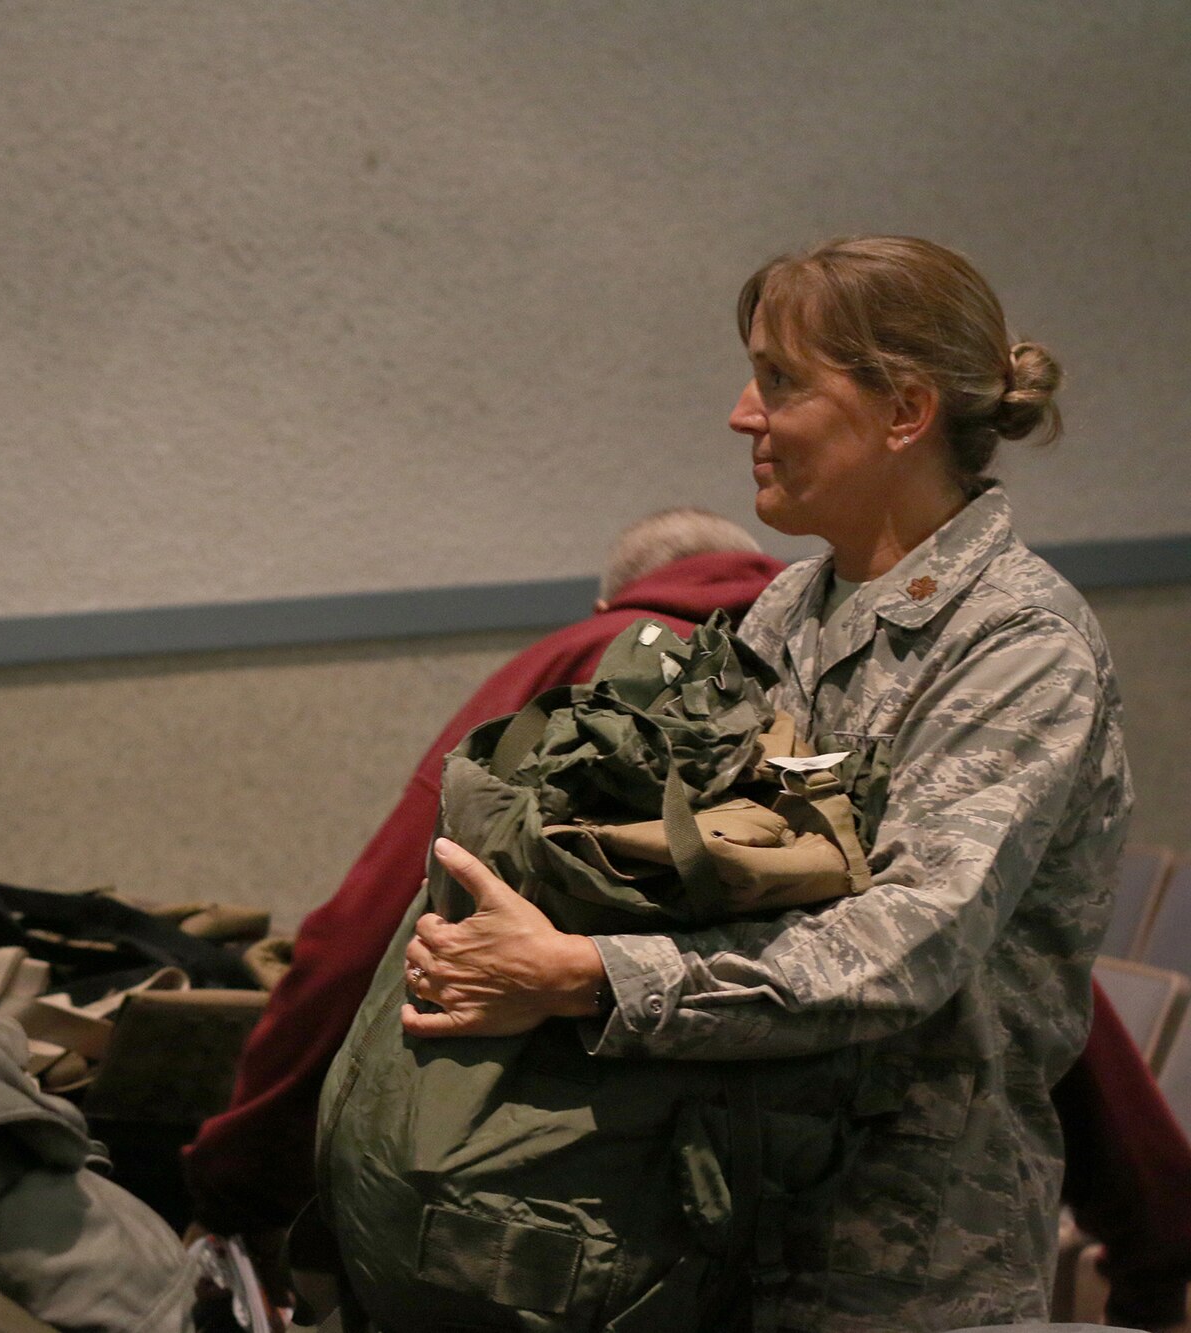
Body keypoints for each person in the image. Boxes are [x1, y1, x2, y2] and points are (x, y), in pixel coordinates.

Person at [401, 236, 1131, 1329]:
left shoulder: (1014, 645)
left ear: (902, 411)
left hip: (908, 1268)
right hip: (728, 1227)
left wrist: (586, 973)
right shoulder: (789, 610)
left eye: (781, 381)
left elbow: (907, 943)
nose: (743, 413)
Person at [182, 508, 784, 1237]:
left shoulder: (582, 656)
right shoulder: (807, 666)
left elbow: (375, 919)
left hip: (553, 1190)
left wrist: (242, 1168)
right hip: (776, 1169)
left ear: (607, 601)